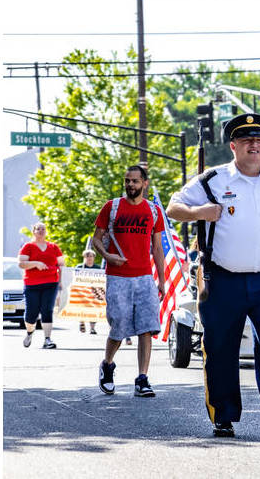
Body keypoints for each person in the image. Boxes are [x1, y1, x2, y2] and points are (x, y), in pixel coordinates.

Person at [167, 113, 260, 443]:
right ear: (233, 145)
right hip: (222, 280)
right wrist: (198, 213)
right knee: (220, 348)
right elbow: (174, 207)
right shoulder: (213, 180)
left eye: (259, 139)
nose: (254, 144)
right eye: (246, 139)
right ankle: (223, 417)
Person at [91, 164, 167, 398]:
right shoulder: (112, 207)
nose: (130, 185)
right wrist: (107, 256)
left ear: (145, 183)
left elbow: (157, 248)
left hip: (144, 276)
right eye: (127, 181)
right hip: (118, 277)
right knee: (120, 325)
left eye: (135, 181)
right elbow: (96, 240)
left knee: (146, 327)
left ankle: (142, 378)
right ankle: (107, 364)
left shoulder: (153, 211)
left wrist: (161, 280)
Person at [18, 222, 64, 349]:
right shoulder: (28, 246)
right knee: (31, 314)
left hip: (51, 283)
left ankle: (47, 339)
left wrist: (61, 281)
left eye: (43, 229)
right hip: (32, 284)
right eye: (38, 229)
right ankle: (29, 332)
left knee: (47, 310)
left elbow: (61, 265)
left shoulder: (54, 247)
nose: (41, 231)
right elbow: (21, 264)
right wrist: (36, 263)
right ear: (33, 231)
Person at [76, 250, 100, 335]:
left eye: (91, 256)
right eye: (87, 256)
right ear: (84, 257)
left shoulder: (98, 268)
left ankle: (92, 328)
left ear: (94, 258)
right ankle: (81, 322)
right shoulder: (79, 267)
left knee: (93, 309)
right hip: (83, 291)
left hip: (94, 292)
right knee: (82, 307)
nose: (89, 258)